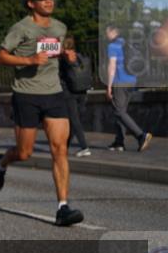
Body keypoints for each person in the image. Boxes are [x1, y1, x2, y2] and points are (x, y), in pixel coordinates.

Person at [0, 0, 83, 227]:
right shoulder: (21, 29)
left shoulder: (60, 28)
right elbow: (0, 57)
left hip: (53, 93)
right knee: (24, 152)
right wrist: (29, 61)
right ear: (31, 3)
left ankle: (63, 207)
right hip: (26, 95)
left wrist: (67, 55)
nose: (49, 1)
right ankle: (2, 162)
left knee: (59, 149)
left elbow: (55, 52)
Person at [104, 24, 154, 153]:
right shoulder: (128, 43)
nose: (105, 35)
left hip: (119, 82)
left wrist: (109, 86)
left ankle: (141, 135)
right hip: (132, 81)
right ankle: (119, 142)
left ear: (112, 32)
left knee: (118, 112)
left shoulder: (112, 46)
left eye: (106, 32)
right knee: (122, 112)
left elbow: (112, 67)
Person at [58, 34, 92, 157]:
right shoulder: (78, 56)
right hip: (82, 91)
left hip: (69, 92)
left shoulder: (64, 57)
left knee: (74, 120)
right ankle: (65, 147)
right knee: (75, 121)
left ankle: (84, 147)